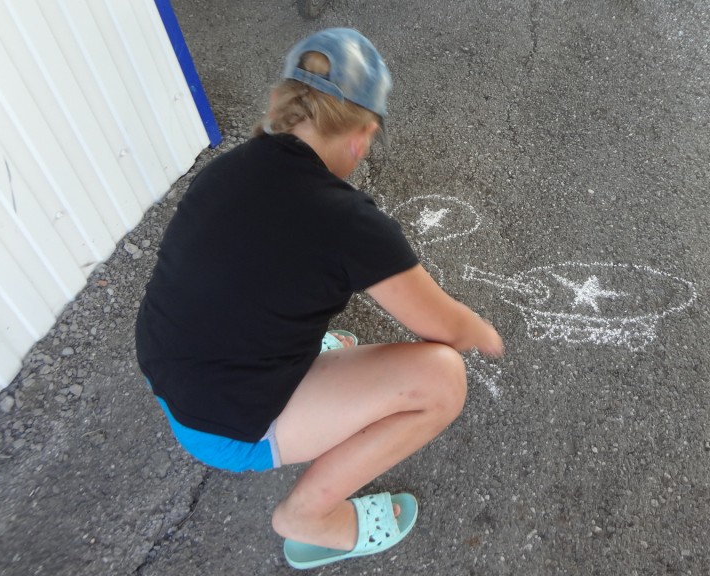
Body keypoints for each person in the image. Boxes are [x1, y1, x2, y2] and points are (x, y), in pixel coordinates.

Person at [134, 28, 504, 569]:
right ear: (362, 135)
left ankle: (301, 379)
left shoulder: (227, 169)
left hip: (170, 375)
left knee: (292, 294)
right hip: (222, 424)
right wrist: (481, 331)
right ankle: (307, 517)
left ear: (284, 105)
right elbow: (446, 328)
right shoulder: (349, 222)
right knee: (442, 378)